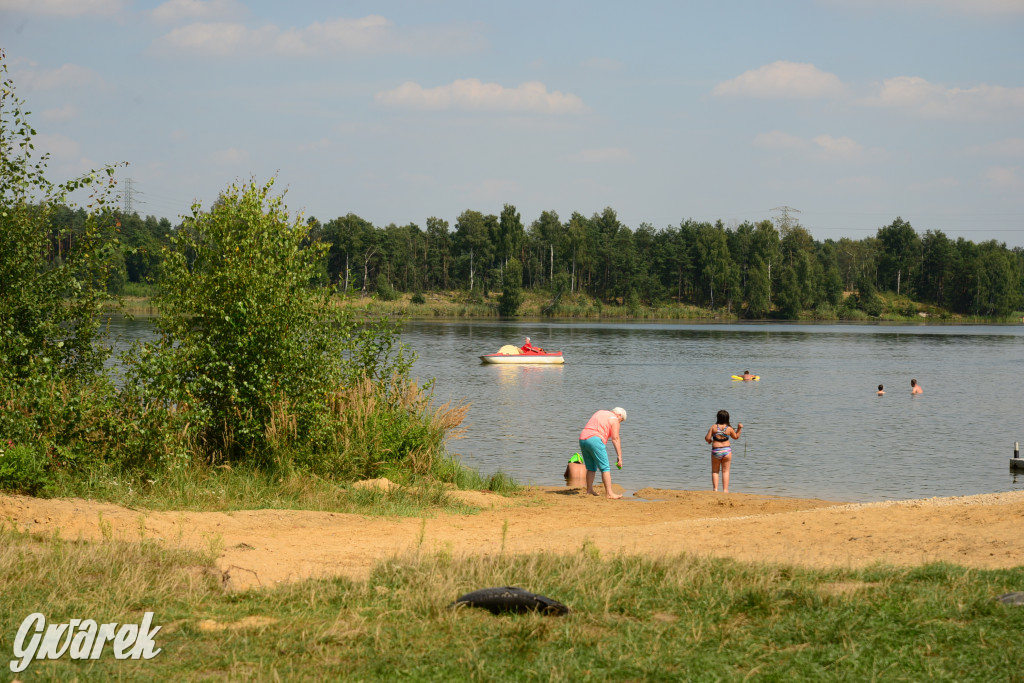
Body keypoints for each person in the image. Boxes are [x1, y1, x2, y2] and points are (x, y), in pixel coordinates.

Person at [578, 407, 627, 499]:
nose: (620, 422)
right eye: (622, 420)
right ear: (619, 415)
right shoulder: (615, 419)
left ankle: (589, 490)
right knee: (605, 468)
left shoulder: (600, 412)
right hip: (595, 439)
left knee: (591, 467)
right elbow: (615, 438)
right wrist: (619, 456)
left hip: (583, 438)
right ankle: (609, 493)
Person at [704, 409, 742, 493]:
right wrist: (739, 428)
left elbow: (707, 438)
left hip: (716, 451)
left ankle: (715, 490)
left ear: (718, 417)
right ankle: (725, 490)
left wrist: (709, 441)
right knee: (726, 471)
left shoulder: (714, 427)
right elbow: (736, 437)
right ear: (727, 419)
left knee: (715, 471)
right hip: (727, 451)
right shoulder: (729, 428)